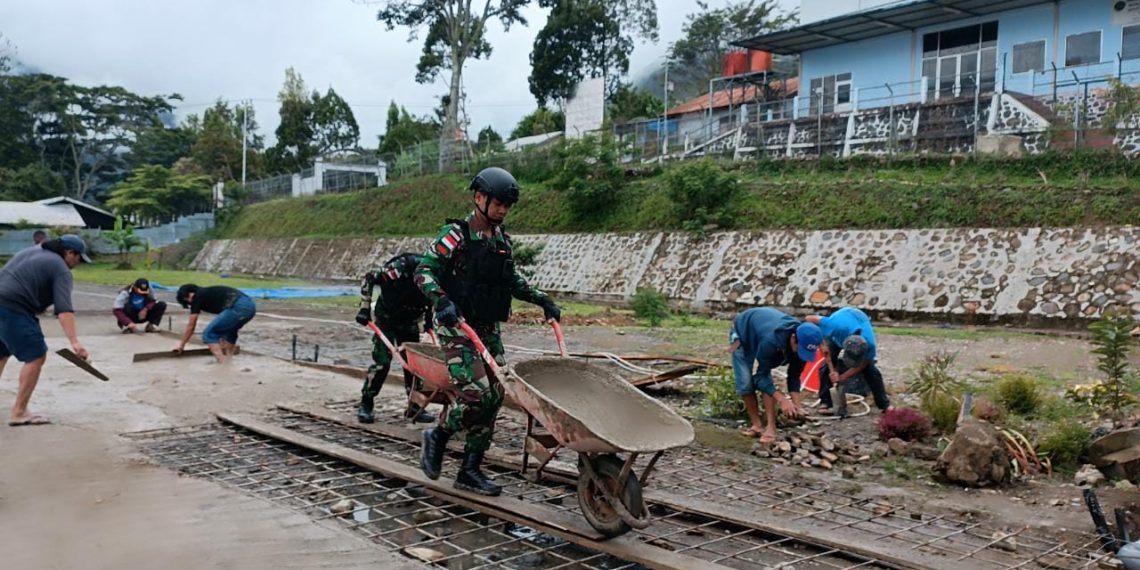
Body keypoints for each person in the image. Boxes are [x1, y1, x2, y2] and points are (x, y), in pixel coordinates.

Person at [415, 166, 561, 496]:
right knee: (476, 394)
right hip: (458, 328)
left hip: (488, 328)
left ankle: (469, 470)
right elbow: (424, 272)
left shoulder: (500, 240)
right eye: (498, 204)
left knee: (494, 397)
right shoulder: (456, 234)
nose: (502, 210)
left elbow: (511, 281)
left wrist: (543, 300)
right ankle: (437, 435)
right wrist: (441, 301)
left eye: (507, 206)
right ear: (479, 198)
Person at [0, 235, 91, 426]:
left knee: (1, 353)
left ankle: (20, 410)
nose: (78, 263)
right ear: (69, 253)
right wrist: (75, 342)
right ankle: (19, 412)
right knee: (36, 355)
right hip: (13, 307)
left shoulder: (31, 251)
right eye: (78, 258)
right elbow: (64, 310)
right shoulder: (60, 268)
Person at [355, 252, 435, 425]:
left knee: (414, 365)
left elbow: (433, 298)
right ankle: (366, 403)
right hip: (387, 320)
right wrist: (364, 308)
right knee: (382, 362)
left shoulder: (435, 275)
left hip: (410, 320)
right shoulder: (399, 268)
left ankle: (414, 405)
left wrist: (429, 321)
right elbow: (369, 279)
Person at [729, 307, 822, 444]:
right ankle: (757, 426)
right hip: (743, 334)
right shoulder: (771, 341)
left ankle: (771, 426)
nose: (800, 354)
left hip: (763, 331)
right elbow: (760, 376)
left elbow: (794, 375)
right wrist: (783, 400)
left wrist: (797, 405)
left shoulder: (803, 341)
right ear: (793, 338)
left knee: (769, 386)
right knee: (746, 381)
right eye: (799, 349)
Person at [806, 307, 891, 416]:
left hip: (859, 318)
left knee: (872, 372)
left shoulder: (869, 344)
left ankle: (884, 404)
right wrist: (821, 344)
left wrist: (842, 377)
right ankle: (825, 401)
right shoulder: (834, 326)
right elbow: (809, 319)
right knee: (825, 368)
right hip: (842, 320)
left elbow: (863, 364)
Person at [173, 284, 257, 363]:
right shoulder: (207, 293)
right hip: (249, 305)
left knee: (209, 334)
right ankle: (228, 361)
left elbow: (191, 326)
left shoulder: (197, 297)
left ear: (190, 294)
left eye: (187, 299)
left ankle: (223, 365)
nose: (189, 302)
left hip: (238, 306)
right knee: (230, 332)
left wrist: (181, 345)